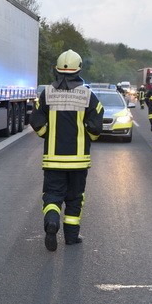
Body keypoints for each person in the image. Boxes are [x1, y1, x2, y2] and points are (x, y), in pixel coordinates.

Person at [29, 50, 104, 251]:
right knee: (75, 198)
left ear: (57, 69)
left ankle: (51, 222)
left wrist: (48, 134)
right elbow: (96, 127)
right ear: (78, 69)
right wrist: (89, 137)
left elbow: (35, 121)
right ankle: (71, 237)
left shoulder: (47, 94)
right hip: (79, 161)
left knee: (53, 195)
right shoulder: (88, 95)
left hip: (53, 160)